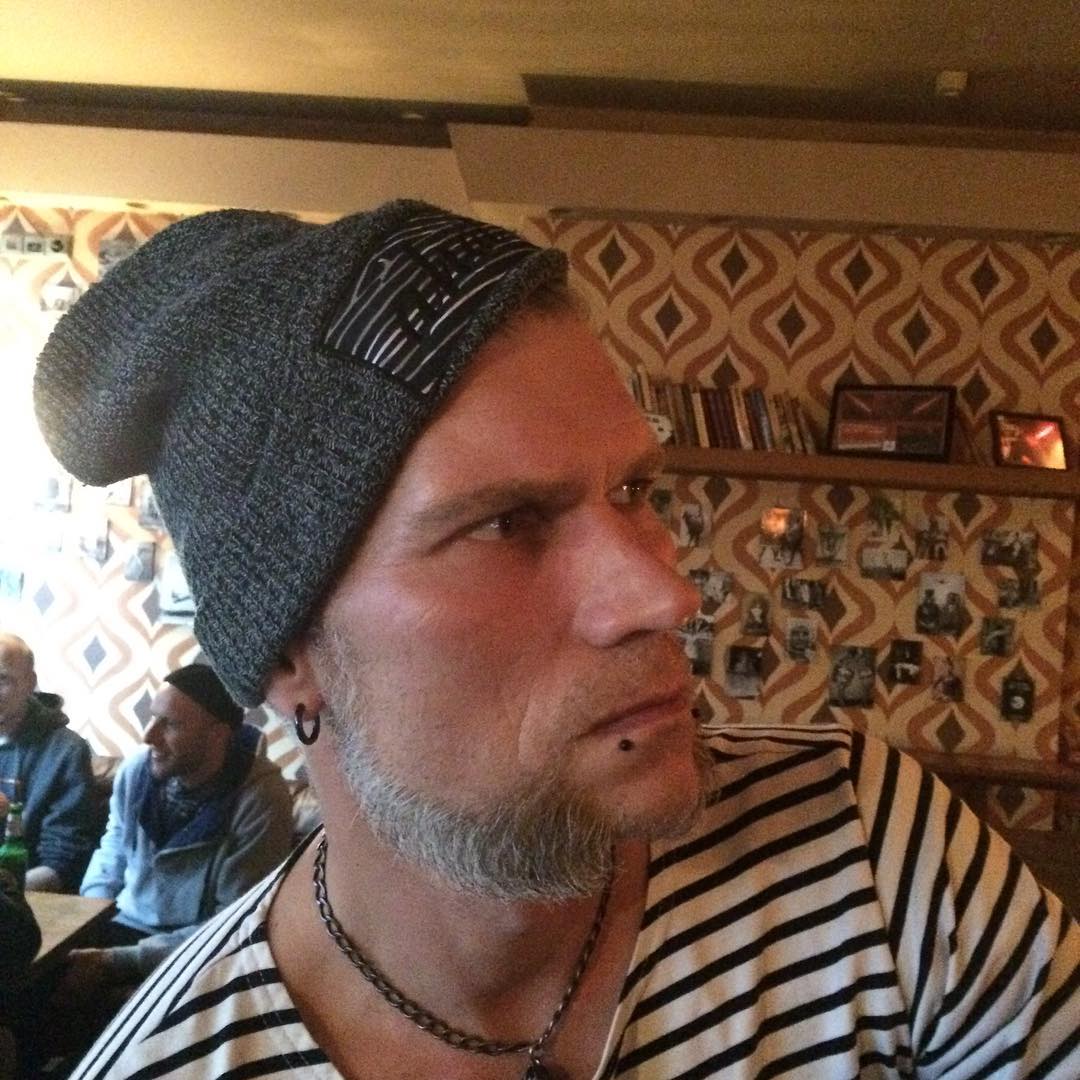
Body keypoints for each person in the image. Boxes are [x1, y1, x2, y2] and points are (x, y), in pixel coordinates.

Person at [33, 203, 1078, 1078]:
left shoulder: (862, 848)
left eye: (636, 491)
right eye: (505, 524)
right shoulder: (167, 1061)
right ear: (286, 658)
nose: (665, 593)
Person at [61, 662, 294, 996]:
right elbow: (113, 848)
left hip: (195, 954)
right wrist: (86, 920)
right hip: (119, 924)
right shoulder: (136, 769)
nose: (149, 736)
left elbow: (232, 925)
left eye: (169, 724)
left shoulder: (259, 797)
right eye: (153, 718)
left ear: (218, 734)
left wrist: (116, 961)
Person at [0, 633, 97, 892]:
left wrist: (7, 896)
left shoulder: (65, 752)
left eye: (2, 679)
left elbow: (61, 863)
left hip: (23, 898)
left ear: (30, 683)